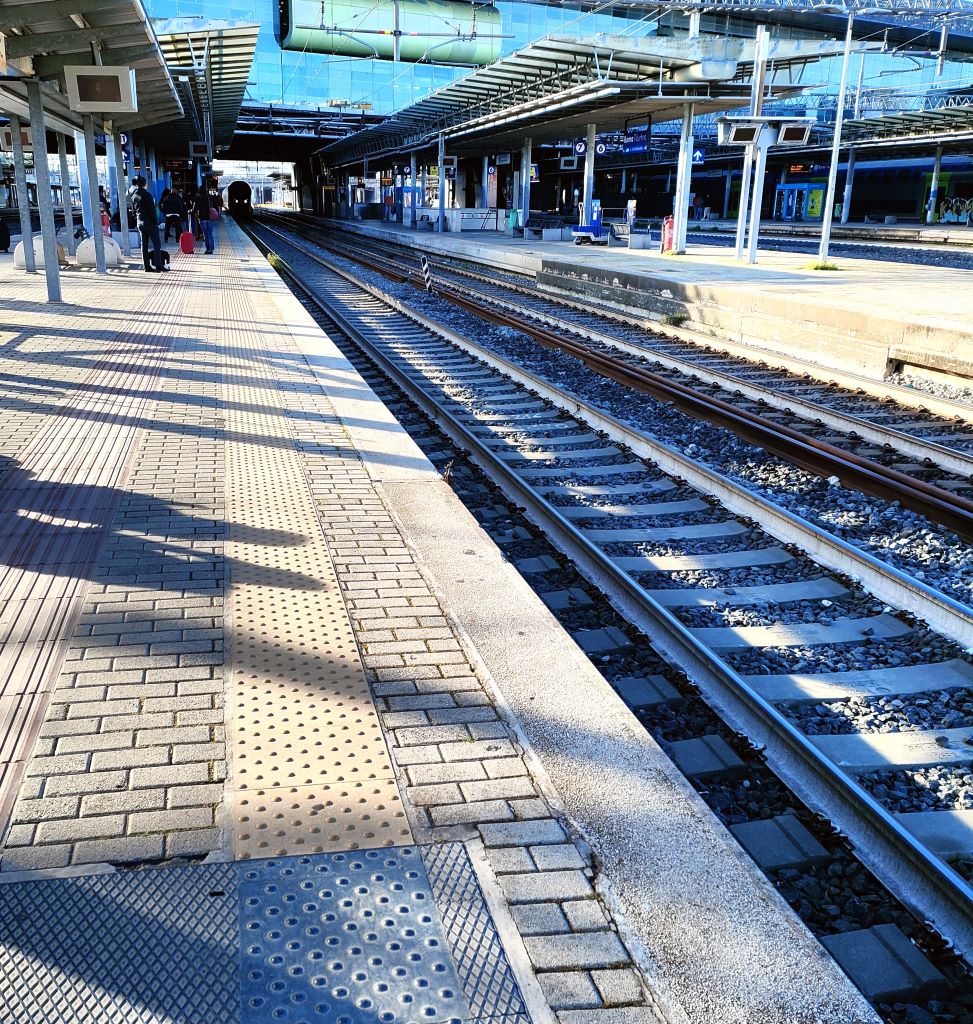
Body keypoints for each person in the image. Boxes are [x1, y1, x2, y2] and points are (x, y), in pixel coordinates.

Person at [128, 175, 166, 273]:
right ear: (145, 184)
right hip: (149, 223)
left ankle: (147, 266)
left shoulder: (133, 195)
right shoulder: (147, 195)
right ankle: (158, 265)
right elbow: (152, 211)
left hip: (140, 222)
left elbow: (133, 211)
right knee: (156, 243)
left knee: (144, 244)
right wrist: (155, 222)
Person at [193, 183, 216, 254]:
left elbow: (195, 208)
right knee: (210, 234)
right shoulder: (210, 197)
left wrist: (190, 211)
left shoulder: (198, 198)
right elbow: (214, 206)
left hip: (202, 218)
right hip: (210, 218)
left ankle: (208, 249)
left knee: (205, 234)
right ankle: (211, 249)